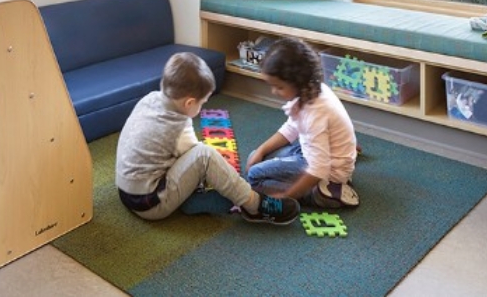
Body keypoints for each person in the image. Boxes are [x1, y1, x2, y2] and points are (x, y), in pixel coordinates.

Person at [115, 52, 302, 225]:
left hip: (127, 193)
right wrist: (227, 177)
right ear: (189, 102)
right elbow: (201, 161)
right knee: (205, 155)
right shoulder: (177, 128)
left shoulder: (150, 99)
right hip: (151, 204)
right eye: (203, 102)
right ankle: (254, 206)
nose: (203, 106)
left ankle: (192, 202)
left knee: (203, 171)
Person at [245, 38, 360, 208]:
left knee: (254, 175)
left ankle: (324, 192)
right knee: (255, 157)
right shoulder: (309, 90)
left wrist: (286, 196)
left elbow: (318, 167)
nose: (273, 91)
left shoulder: (314, 112)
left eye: (279, 87)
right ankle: (311, 184)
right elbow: (291, 129)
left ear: (297, 81)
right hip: (314, 153)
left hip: (327, 170)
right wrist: (261, 150)